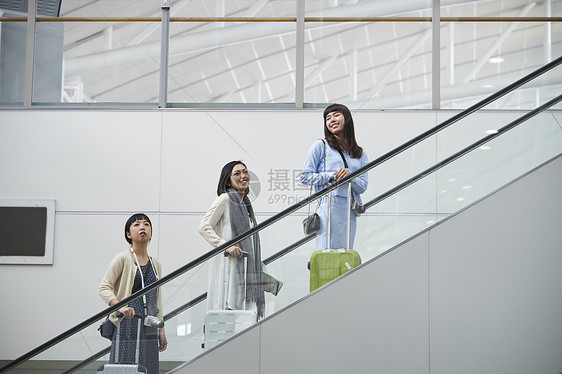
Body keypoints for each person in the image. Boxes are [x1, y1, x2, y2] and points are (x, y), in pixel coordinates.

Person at [199, 161, 268, 319]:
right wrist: (225, 246)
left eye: (245, 172)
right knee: (229, 316)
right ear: (228, 180)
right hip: (229, 271)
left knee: (247, 319)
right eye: (237, 173)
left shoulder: (246, 206)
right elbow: (204, 227)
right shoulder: (225, 199)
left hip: (245, 273)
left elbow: (251, 243)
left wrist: (261, 271)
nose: (243, 176)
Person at [99, 213, 167, 373]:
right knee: (125, 368)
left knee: (148, 369)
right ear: (128, 234)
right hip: (127, 323)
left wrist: (161, 328)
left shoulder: (155, 263)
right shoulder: (122, 258)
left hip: (149, 326)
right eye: (136, 225)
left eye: (146, 224)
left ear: (150, 233)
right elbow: (104, 288)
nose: (142, 227)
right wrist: (120, 307)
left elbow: (157, 298)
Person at [301, 103, 368, 250]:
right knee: (327, 253)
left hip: (350, 210)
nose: (331, 120)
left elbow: (362, 186)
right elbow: (305, 177)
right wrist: (332, 175)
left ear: (347, 118)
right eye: (327, 118)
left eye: (336, 115)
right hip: (328, 206)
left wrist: (350, 177)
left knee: (346, 252)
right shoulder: (320, 146)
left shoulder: (360, 153)